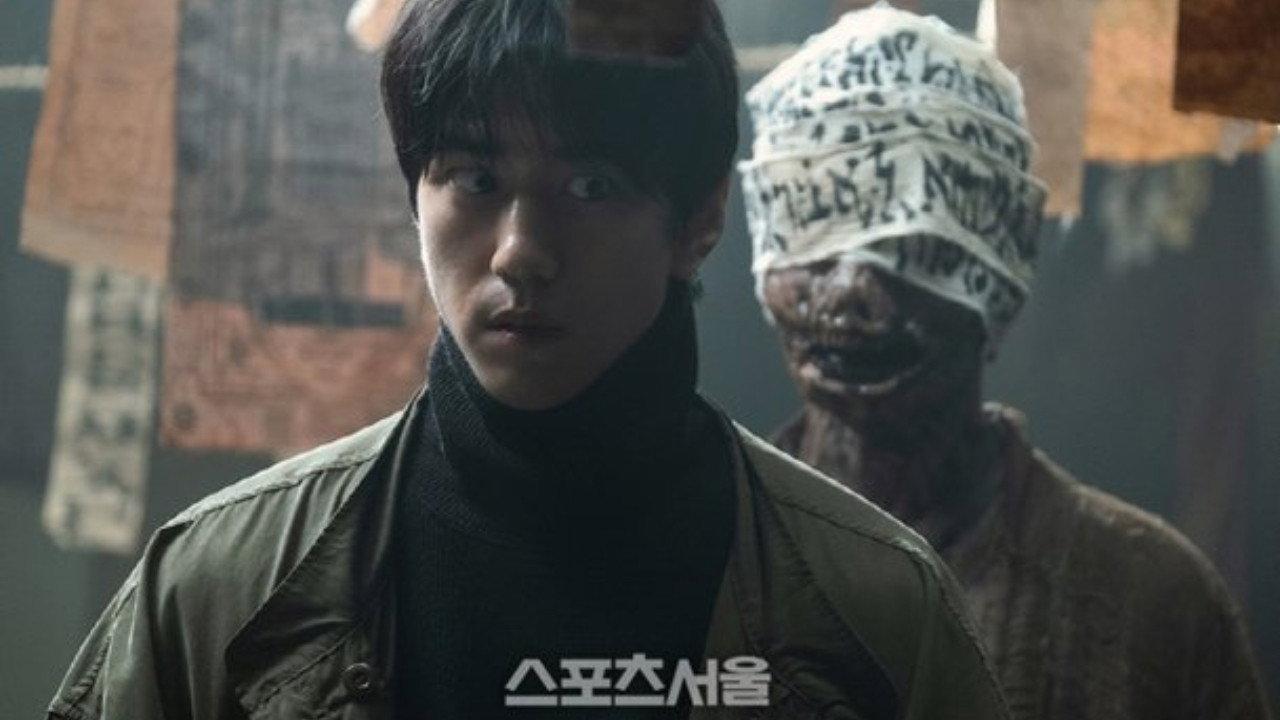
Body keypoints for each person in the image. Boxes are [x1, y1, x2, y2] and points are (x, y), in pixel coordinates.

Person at [47, 1, 1011, 719]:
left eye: (590, 185)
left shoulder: (874, 612)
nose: (519, 252)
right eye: (474, 178)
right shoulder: (218, 590)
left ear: (701, 218)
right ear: (414, 196)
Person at [739, 6, 1275, 720]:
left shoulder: (1156, 603)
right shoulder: (695, 559)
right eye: (817, 216)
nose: (854, 290)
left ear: (1006, 257)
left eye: (915, 248)